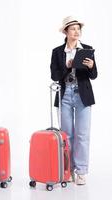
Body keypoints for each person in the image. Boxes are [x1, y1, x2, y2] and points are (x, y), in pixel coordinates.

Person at [50, 16, 97, 185]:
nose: (76, 32)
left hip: (82, 94)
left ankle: (81, 171)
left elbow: (94, 76)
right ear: (66, 32)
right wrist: (67, 66)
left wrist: (91, 66)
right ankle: (68, 170)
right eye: (73, 29)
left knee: (82, 135)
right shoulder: (57, 52)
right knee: (66, 135)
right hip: (65, 94)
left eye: (78, 29)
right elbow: (54, 75)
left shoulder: (87, 49)